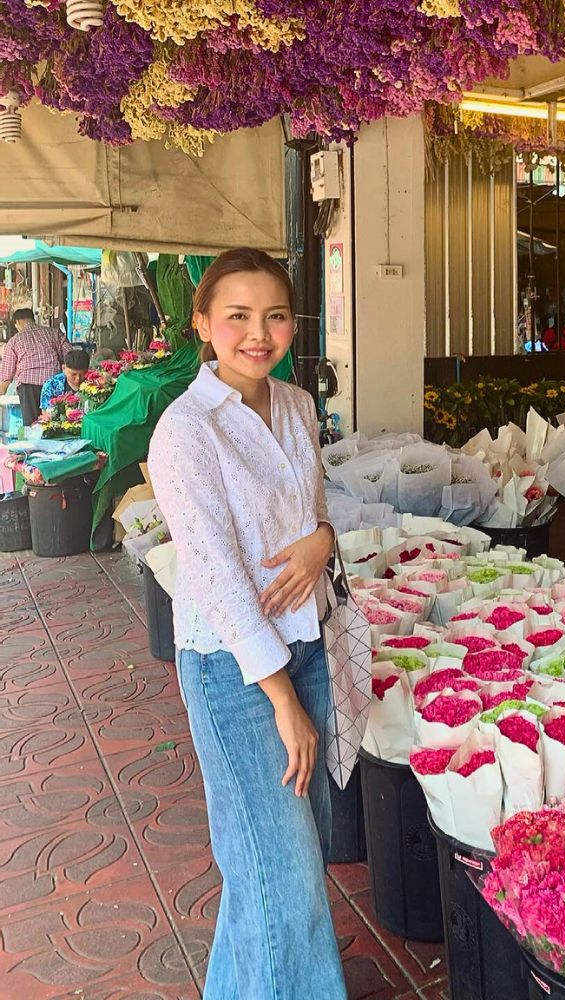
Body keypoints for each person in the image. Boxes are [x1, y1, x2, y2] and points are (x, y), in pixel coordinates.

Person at [148, 248, 347, 1000]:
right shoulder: (185, 432)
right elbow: (217, 578)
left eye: (274, 316)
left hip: (308, 646)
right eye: (237, 316)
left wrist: (323, 542)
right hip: (238, 674)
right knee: (284, 871)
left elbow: (318, 518)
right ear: (202, 323)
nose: (257, 334)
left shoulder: (295, 405)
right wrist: (282, 700)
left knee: (273, 859)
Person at [0, 308, 70, 425]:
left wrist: (3, 390)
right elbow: (70, 356)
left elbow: (6, 377)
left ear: (18, 322)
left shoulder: (14, 341)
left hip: (28, 387)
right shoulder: (54, 333)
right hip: (52, 384)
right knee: (55, 422)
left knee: (32, 425)